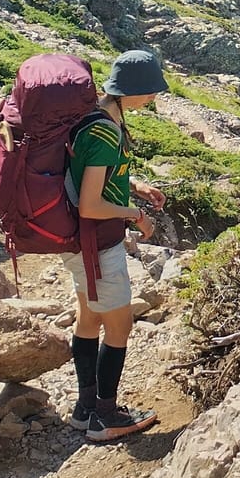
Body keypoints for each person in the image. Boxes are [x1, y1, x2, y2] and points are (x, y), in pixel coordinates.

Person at [62, 49, 169, 442]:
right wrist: (136, 216)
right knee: (119, 325)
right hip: (97, 242)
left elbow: (95, 176)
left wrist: (135, 185)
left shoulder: (99, 115)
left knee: (89, 319)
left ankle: (84, 407)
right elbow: (92, 204)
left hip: (78, 241)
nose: (153, 98)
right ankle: (106, 416)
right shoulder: (105, 131)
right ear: (131, 91)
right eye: (150, 91)